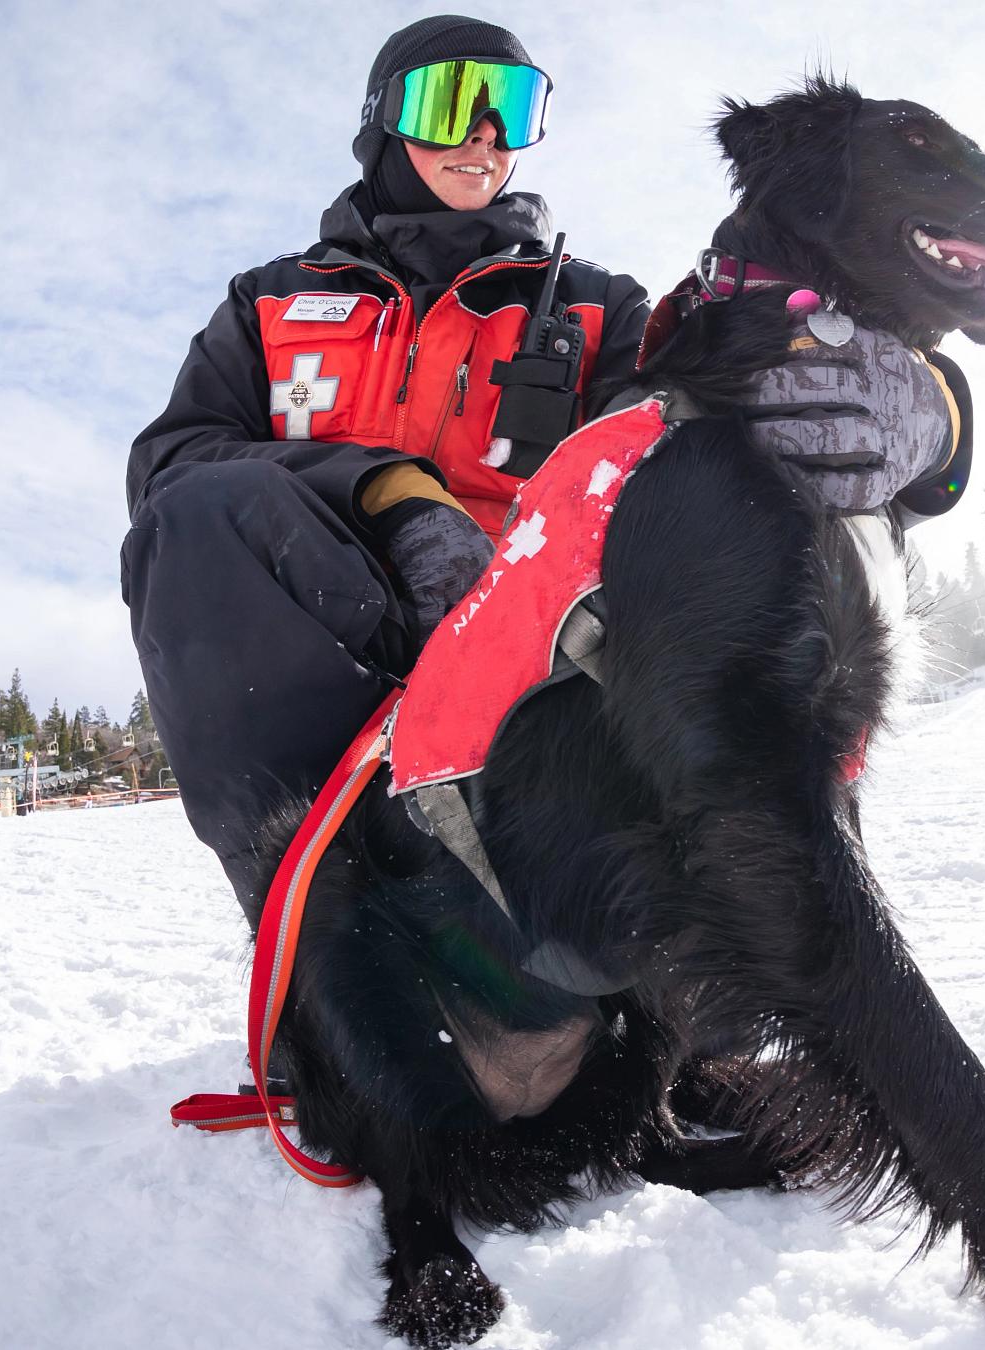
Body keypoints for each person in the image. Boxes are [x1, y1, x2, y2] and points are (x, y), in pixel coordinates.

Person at [123, 16, 650, 911]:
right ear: (383, 122)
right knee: (199, 512)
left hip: (527, 646)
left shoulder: (601, 309)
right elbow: (171, 465)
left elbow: (663, 470)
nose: (484, 132)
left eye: (512, 109)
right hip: (324, 637)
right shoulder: (272, 301)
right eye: (453, 102)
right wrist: (384, 492)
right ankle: (315, 915)